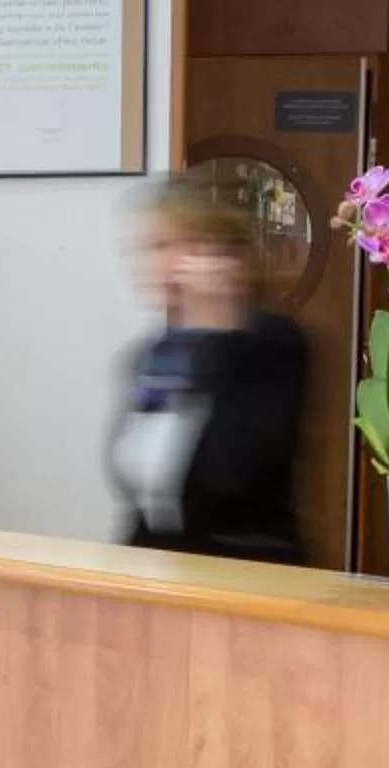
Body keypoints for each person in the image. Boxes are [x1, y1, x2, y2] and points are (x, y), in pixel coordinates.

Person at [105, 183, 309, 562]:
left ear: (213, 252)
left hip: (243, 569)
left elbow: (228, 475)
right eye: (144, 249)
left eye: (163, 246)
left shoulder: (270, 343)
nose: (148, 264)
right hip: (154, 565)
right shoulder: (151, 355)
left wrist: (217, 328)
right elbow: (139, 483)